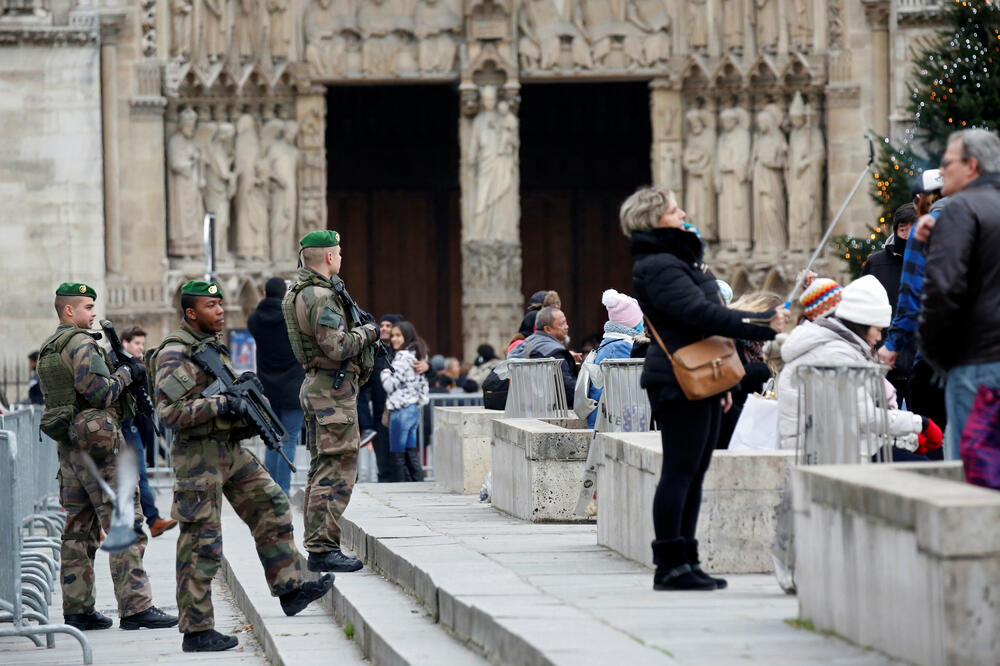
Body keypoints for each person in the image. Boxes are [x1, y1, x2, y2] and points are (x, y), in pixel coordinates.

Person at [622, 186, 788, 592]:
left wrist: (725, 379)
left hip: (702, 374)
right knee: (679, 470)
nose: (683, 214)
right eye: (675, 210)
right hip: (678, 377)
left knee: (695, 471)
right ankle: (668, 564)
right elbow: (699, 314)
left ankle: (688, 560)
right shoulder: (659, 264)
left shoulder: (681, 259)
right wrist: (762, 323)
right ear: (654, 218)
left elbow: (709, 314)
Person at [151, 280, 332, 652]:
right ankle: (197, 630)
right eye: (210, 305)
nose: (220, 310)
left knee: (273, 505)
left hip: (230, 451)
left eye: (220, 304)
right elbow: (169, 413)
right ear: (190, 313)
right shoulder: (175, 352)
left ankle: (291, 587)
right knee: (202, 540)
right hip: (199, 458)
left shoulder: (211, 347)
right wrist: (221, 405)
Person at [36, 283, 177, 632]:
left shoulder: (48, 349)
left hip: (70, 447)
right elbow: (99, 392)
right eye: (87, 306)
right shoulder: (81, 343)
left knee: (78, 530)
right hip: (99, 447)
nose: (93, 313)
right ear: (68, 311)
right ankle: (136, 607)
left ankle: (78, 610)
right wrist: (127, 373)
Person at [282, 230, 378, 573]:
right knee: (337, 469)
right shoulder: (321, 296)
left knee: (323, 468)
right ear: (328, 257)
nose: (341, 258)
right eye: (338, 253)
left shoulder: (303, 291)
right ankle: (323, 548)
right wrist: (368, 332)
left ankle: (320, 545)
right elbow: (336, 346)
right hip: (331, 390)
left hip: (323, 386)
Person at [778, 275, 937, 461]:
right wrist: (920, 423)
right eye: (878, 330)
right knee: (920, 470)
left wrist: (907, 440)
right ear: (862, 325)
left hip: (835, 446)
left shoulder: (838, 347)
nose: (879, 338)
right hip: (826, 454)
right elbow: (863, 417)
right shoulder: (836, 353)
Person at [919, 128, 1000, 460]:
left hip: (976, 363)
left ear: (972, 165)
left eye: (946, 162)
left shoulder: (960, 208)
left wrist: (936, 355)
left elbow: (943, 290)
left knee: (975, 480)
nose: (941, 171)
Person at [878, 170, 949, 440]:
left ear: (920, 198)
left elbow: (912, 295)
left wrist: (893, 344)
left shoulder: (926, 228)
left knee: (933, 436)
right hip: (984, 351)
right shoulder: (986, 217)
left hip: (936, 352)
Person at [247, 277, 307, 494]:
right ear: (284, 294)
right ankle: (282, 490)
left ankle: (268, 490)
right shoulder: (292, 318)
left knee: (271, 439)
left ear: (264, 294)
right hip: (293, 388)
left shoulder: (254, 320)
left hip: (267, 389)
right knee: (288, 439)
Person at [119, 326, 177, 537]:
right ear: (124, 342)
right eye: (137, 343)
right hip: (124, 426)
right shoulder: (119, 364)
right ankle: (149, 520)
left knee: (136, 476)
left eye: (142, 344)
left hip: (134, 425)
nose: (140, 348)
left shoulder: (135, 364)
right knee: (135, 475)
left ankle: (150, 520)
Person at [862, 202, 918, 404]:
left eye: (913, 228)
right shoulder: (877, 263)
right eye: (903, 229)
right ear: (895, 230)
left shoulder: (932, 260)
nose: (908, 234)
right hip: (884, 357)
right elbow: (862, 306)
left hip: (920, 359)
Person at [716, 291, 783, 449]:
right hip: (725, 423)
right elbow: (723, 379)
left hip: (741, 424)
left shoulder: (755, 346)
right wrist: (760, 370)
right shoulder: (729, 337)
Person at [584, 289, 645, 428]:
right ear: (631, 322)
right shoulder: (621, 346)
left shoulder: (612, 342)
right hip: (611, 420)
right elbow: (628, 388)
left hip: (606, 416)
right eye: (639, 320)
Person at [381, 321, 430, 482]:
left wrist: (385, 370)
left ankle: (401, 487)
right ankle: (418, 485)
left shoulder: (402, 357)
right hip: (412, 409)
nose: (394, 339)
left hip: (400, 410)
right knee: (410, 453)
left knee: (397, 454)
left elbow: (390, 385)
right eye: (393, 336)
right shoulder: (417, 355)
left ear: (406, 336)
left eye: (398, 336)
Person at [360, 313, 402, 482]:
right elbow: (364, 384)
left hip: (399, 413)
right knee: (383, 464)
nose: (383, 328)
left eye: (388, 325)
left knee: (400, 461)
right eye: (382, 325)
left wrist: (427, 367)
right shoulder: (374, 353)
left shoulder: (404, 353)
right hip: (381, 416)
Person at [506, 306, 577, 407]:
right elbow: (567, 387)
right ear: (547, 329)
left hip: (522, 408)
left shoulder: (525, 344)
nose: (566, 327)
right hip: (551, 410)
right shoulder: (553, 351)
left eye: (565, 322)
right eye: (562, 324)